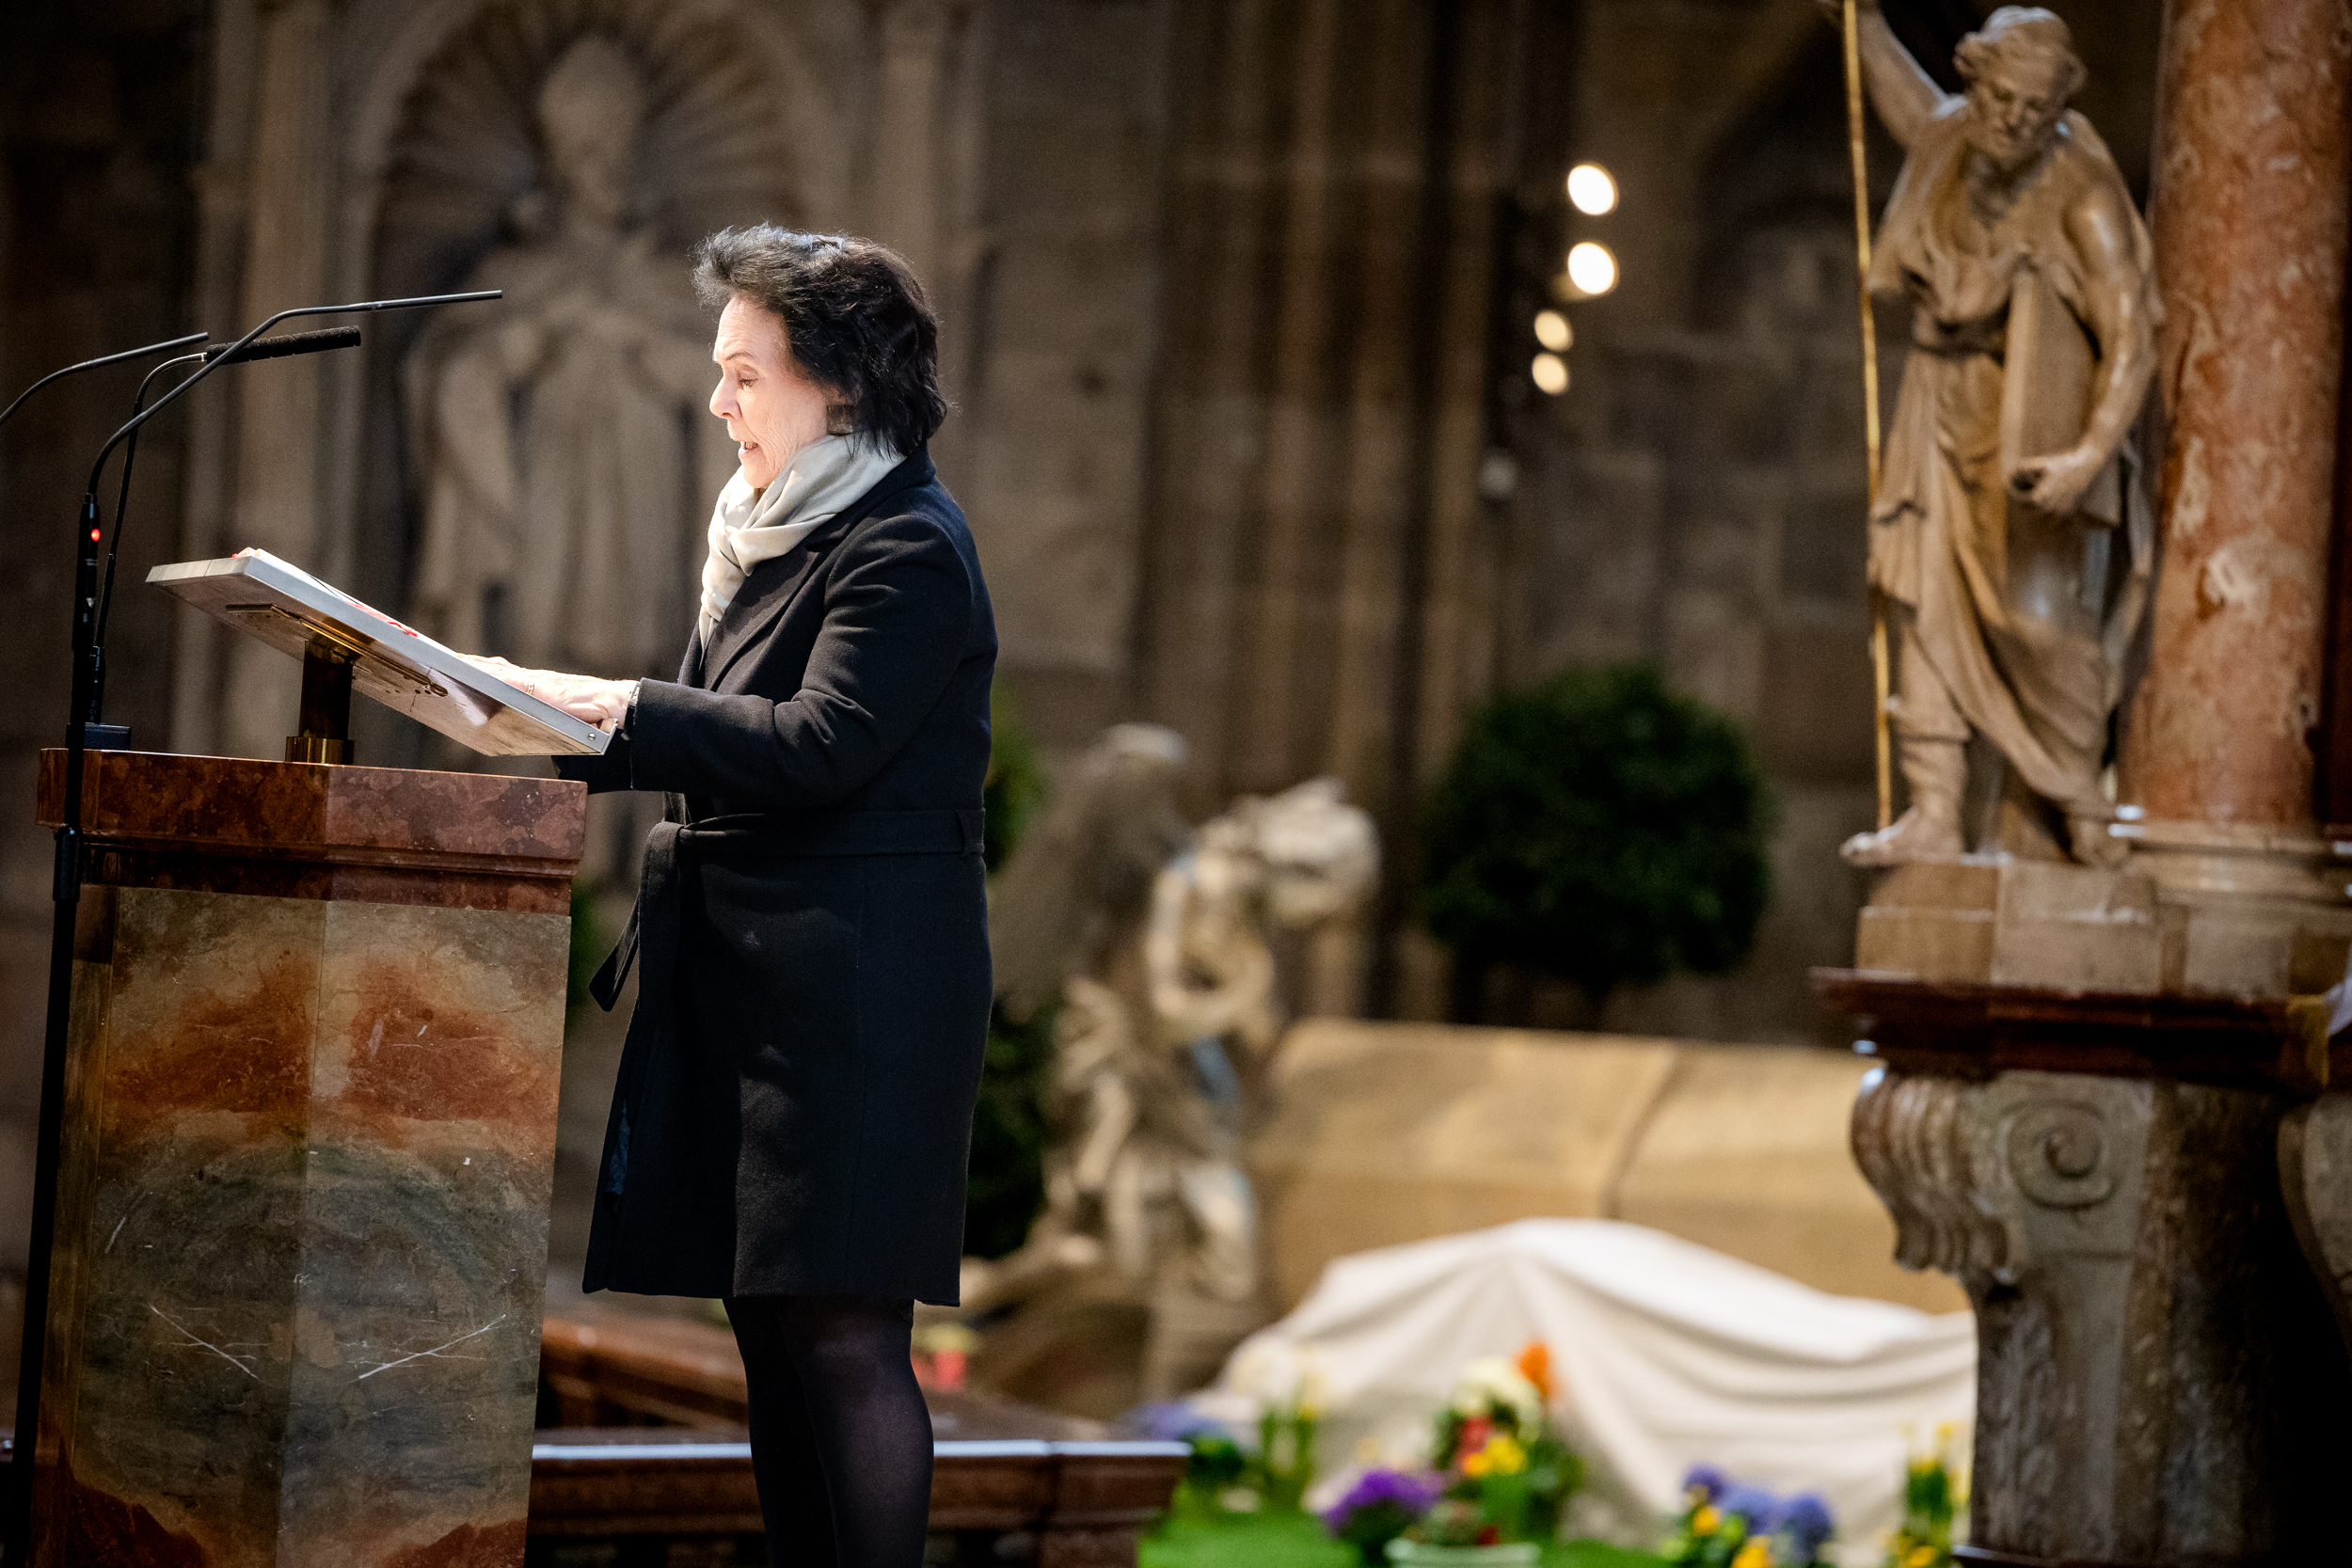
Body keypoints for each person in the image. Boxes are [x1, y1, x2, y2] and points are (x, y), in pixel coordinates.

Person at [472, 226, 994, 1568]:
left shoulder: (906, 542)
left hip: (859, 989)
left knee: (844, 1323)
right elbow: (732, 731)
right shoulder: (769, 532)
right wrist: (547, 718)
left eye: (745, 373)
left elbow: (821, 743)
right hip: (761, 969)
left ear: (842, 382)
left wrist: (622, 707)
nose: (719, 402)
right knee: (770, 1318)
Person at [1830, 3, 2158, 867]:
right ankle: (1936, 808)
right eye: (2000, 99)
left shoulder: (2084, 200)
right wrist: (1862, 24)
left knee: (2036, 618)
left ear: (2060, 110)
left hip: (2032, 426)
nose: (2011, 122)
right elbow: (1907, 101)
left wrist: (2088, 455)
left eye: (2034, 110)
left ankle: (2080, 794)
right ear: (1974, 84)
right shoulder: (1951, 137)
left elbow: (2132, 337)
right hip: (1938, 394)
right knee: (1918, 589)